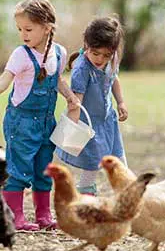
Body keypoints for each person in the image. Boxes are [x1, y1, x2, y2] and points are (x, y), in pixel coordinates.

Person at [0, 0, 79, 231]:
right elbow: (3, 81)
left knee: (44, 170)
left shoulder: (59, 52)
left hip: (46, 122)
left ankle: (43, 215)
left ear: (47, 27)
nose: (23, 34)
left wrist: (70, 97)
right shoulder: (21, 55)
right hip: (21, 122)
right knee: (19, 169)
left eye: (28, 29)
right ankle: (15, 216)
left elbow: (57, 80)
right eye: (19, 29)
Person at [54, 14, 128, 196]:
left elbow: (113, 78)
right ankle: (86, 196)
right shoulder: (82, 69)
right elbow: (76, 102)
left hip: (107, 120)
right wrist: (72, 129)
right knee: (92, 165)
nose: (100, 59)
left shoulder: (112, 59)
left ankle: (127, 193)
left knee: (119, 158)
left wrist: (120, 102)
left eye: (106, 55)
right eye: (96, 53)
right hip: (89, 124)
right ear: (86, 45)